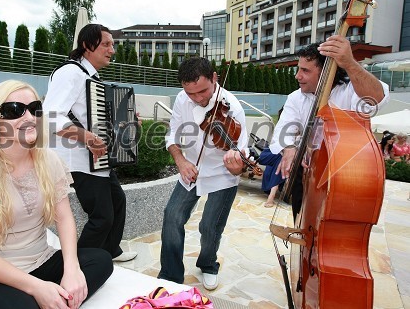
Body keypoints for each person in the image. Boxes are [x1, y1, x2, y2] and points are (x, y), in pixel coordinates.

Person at [0, 80, 113, 309]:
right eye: (14, 110)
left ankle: (50, 298)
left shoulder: (48, 160)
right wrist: (37, 288)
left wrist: (71, 270)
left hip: (39, 261)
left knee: (101, 261)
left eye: (35, 108)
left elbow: (64, 217)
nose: (29, 117)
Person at [43, 24, 137, 262]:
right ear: (87, 46)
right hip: (75, 160)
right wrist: (86, 137)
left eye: (112, 45)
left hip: (97, 159)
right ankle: (78, 265)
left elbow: (100, 119)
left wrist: (128, 121)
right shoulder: (71, 73)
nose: (111, 50)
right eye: (106, 44)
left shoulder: (91, 78)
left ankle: (109, 252)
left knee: (118, 201)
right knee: (101, 217)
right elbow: (51, 116)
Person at [269, 36, 390, 221]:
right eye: (298, 69)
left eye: (305, 70)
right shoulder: (296, 97)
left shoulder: (351, 91)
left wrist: (350, 63)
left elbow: (377, 99)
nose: (297, 76)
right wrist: (290, 148)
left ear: (327, 72)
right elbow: (282, 131)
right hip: (308, 174)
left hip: (347, 177)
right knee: (301, 225)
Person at [157, 57, 249, 291]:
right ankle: (170, 274)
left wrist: (236, 165)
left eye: (203, 91)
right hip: (191, 170)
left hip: (222, 174)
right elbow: (172, 137)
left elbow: (241, 155)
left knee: (209, 227)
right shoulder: (181, 99)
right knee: (172, 216)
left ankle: (208, 264)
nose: (198, 98)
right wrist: (180, 161)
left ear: (215, 78)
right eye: (191, 94)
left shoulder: (233, 107)